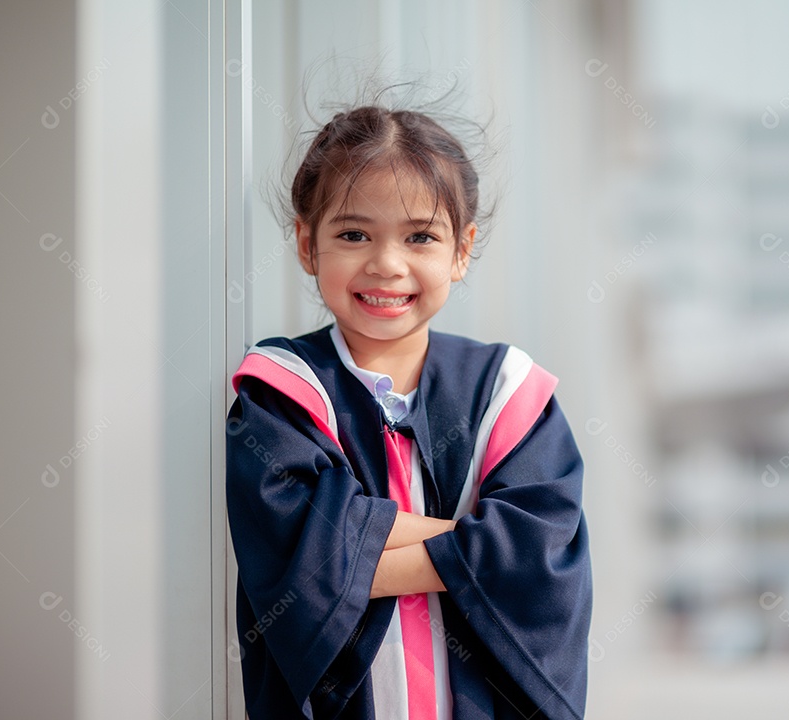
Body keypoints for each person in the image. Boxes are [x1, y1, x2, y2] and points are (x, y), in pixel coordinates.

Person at [225, 103, 592, 720]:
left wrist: (353, 552)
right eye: (353, 234)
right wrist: (483, 549)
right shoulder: (280, 393)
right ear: (306, 244)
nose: (386, 264)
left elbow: (543, 557)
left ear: (462, 249)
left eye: (420, 236)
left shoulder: (508, 393)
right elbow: (294, 558)